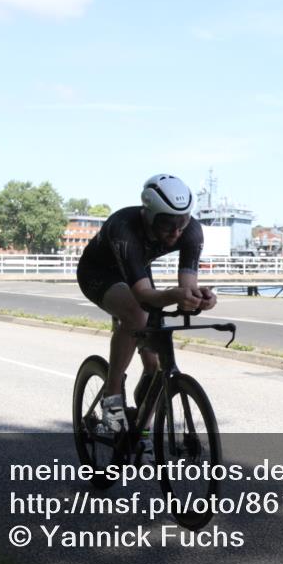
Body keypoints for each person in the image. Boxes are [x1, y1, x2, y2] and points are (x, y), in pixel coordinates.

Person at [76, 174, 216, 432]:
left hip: (136, 270)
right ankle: (112, 392)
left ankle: (142, 432)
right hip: (98, 273)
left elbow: (186, 288)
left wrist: (200, 297)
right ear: (148, 215)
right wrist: (174, 295)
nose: (176, 232)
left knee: (155, 367)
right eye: (167, 224)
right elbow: (143, 296)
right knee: (136, 314)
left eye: (182, 222)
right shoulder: (124, 226)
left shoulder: (191, 231)